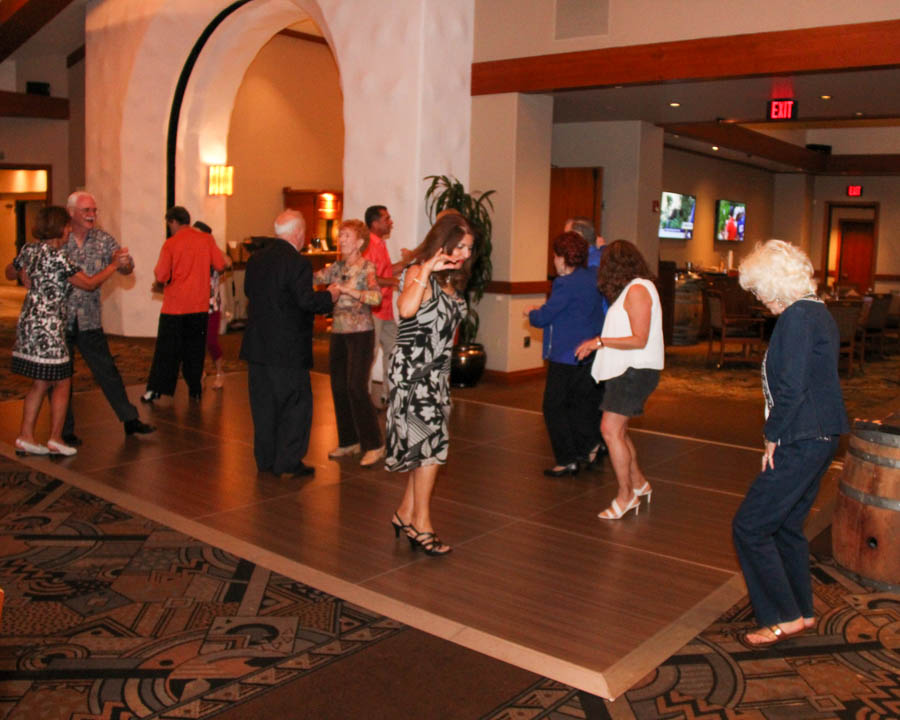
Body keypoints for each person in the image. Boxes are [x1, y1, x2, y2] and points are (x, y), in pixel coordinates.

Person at [732, 240, 848, 648]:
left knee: (750, 526)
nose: (761, 300)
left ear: (777, 284)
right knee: (785, 526)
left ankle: (782, 617)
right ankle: (802, 610)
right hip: (820, 435)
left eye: (761, 290)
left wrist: (772, 435)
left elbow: (792, 386)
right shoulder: (818, 311)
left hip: (801, 435)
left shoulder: (797, 317)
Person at [386, 213, 475, 556]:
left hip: (436, 373)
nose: (466, 253)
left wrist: (445, 377)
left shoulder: (453, 280)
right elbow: (406, 310)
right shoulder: (418, 272)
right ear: (444, 243)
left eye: (470, 248)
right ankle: (420, 523)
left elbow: (446, 336)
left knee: (429, 446)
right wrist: (425, 269)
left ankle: (404, 512)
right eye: (461, 246)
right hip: (412, 371)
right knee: (432, 449)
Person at [7, 206, 127, 456]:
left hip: (29, 323)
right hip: (50, 326)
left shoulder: (29, 250)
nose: (69, 230)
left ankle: (25, 436)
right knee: (62, 380)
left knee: (40, 381)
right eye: (67, 226)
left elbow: (9, 271)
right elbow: (90, 283)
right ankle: (55, 438)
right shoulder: (58, 257)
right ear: (61, 229)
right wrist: (113, 265)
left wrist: (22, 271)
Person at [240, 210, 338, 477]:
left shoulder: (257, 259)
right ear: (297, 234)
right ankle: (288, 462)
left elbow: (250, 292)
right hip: (287, 349)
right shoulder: (297, 263)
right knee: (296, 405)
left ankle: (266, 460)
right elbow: (306, 301)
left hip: (258, 345)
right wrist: (330, 295)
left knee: (263, 406)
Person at [575, 240, 664, 520]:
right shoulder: (636, 288)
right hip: (631, 370)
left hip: (634, 371)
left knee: (610, 430)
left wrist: (598, 342)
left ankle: (626, 496)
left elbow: (639, 338)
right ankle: (638, 484)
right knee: (618, 431)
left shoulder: (637, 290)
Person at [59, 191, 155, 441]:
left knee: (107, 371)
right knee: (62, 377)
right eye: (86, 211)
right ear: (71, 213)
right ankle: (64, 430)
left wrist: (123, 263)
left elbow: (126, 266)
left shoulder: (102, 239)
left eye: (94, 210)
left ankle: (129, 419)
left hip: (89, 318)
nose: (92, 215)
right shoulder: (60, 239)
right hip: (60, 319)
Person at [526, 231, 605, 476]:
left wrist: (531, 312)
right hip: (590, 353)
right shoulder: (593, 276)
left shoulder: (565, 284)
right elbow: (600, 254)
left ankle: (567, 459)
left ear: (561, 257)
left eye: (555, 255)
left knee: (553, 406)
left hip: (566, 356)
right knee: (581, 405)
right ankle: (590, 446)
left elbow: (544, 317)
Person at [314, 219, 385, 467]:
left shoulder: (366, 267)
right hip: (339, 334)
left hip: (361, 334)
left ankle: (374, 444)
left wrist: (350, 291)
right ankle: (348, 441)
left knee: (356, 386)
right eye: (340, 235)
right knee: (339, 386)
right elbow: (314, 278)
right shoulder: (336, 267)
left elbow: (376, 297)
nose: (341, 240)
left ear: (359, 242)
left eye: (346, 236)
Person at [141, 206, 226, 402]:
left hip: (175, 307)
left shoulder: (170, 244)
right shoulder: (207, 240)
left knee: (167, 351)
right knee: (195, 350)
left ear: (173, 222)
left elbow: (161, 275)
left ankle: (156, 389)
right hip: (199, 306)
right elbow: (220, 265)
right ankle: (194, 389)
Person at [364, 205, 400, 405]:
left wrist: (408, 262)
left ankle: (389, 393)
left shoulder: (381, 245)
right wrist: (394, 282)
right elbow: (371, 278)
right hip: (373, 309)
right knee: (369, 354)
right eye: (386, 218)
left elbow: (385, 273)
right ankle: (364, 397)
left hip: (385, 309)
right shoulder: (369, 245)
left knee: (394, 350)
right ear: (375, 223)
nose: (390, 222)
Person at [194, 220, 229, 390]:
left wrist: (212, 245)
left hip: (212, 306)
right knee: (195, 341)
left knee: (211, 341)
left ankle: (220, 372)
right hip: (194, 305)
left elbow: (228, 262)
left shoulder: (213, 254)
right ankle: (200, 372)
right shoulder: (193, 254)